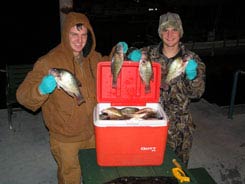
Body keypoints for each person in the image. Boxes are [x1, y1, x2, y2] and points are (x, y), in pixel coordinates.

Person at [16, 12, 126, 184]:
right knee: (70, 177)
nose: (79, 40)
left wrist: (120, 53)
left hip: (95, 131)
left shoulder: (93, 57)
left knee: (96, 174)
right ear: (65, 34)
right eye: (74, 34)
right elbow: (22, 95)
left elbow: (109, 64)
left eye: (83, 35)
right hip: (66, 136)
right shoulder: (48, 62)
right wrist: (40, 89)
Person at [129, 12, 206, 166]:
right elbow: (122, 62)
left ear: (180, 32)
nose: (170, 34)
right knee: (147, 165)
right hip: (149, 120)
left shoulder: (192, 58)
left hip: (180, 127)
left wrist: (193, 77)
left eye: (174, 29)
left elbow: (197, 93)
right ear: (160, 33)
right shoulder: (148, 53)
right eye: (165, 30)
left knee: (177, 169)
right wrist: (129, 55)